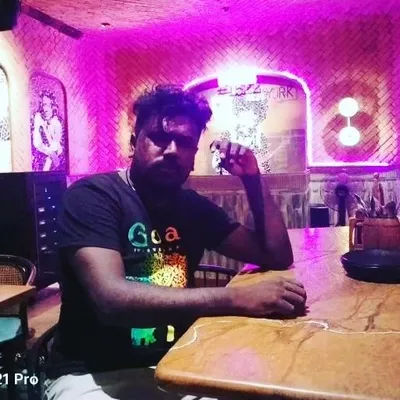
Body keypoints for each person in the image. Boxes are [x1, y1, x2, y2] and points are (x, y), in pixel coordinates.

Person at [43, 84, 307, 400]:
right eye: (158, 137)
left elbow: (276, 255)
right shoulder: (94, 197)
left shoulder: (192, 207)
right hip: (90, 373)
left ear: (194, 155)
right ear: (134, 143)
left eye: (184, 143)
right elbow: (112, 301)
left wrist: (252, 178)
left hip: (177, 363)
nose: (171, 150)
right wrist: (237, 297)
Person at [32, 90, 63, 171]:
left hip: (56, 161)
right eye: (42, 105)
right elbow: (37, 143)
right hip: (41, 159)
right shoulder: (38, 119)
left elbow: (57, 145)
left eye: (47, 105)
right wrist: (50, 152)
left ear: (53, 106)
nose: (44, 108)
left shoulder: (57, 122)